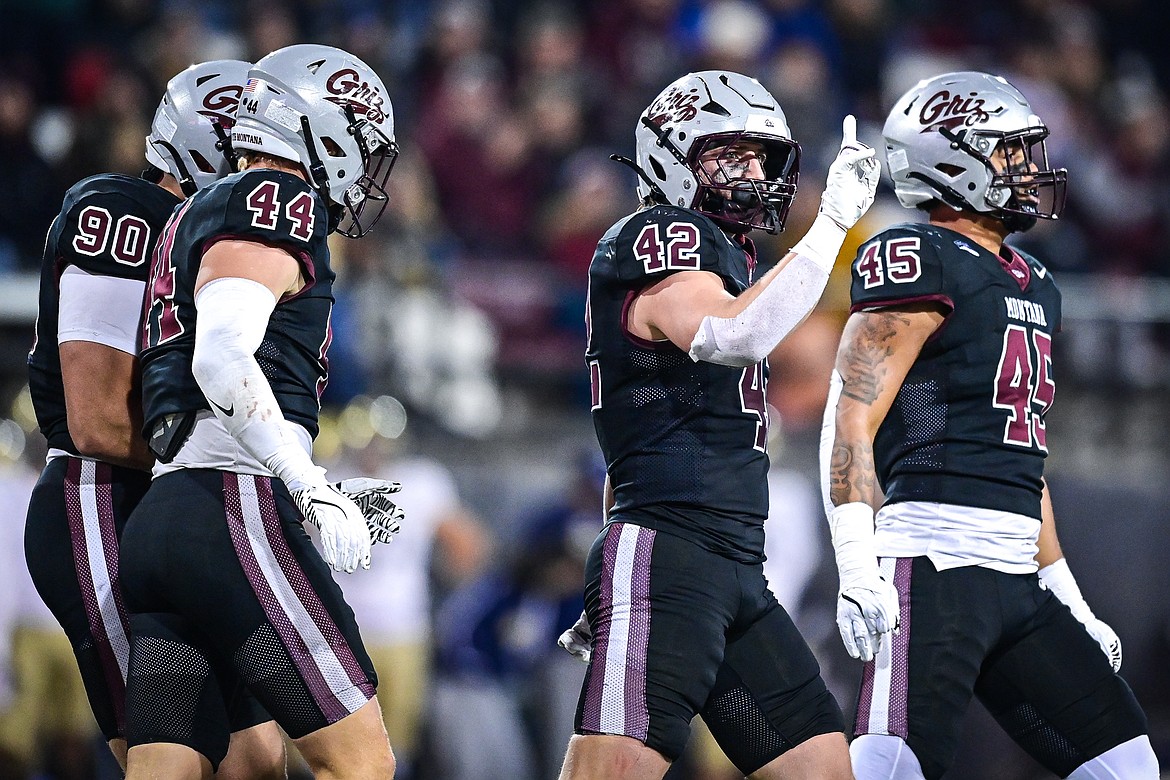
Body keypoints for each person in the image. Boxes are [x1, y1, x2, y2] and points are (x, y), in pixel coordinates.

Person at [821, 71, 1160, 780]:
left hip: (1016, 579)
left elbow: (1021, 460)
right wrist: (857, 559)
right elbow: (851, 410)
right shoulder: (921, 256)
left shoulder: (1037, 283)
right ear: (954, 161)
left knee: (1127, 768)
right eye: (1011, 152)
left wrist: (1067, 593)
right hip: (930, 563)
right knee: (892, 769)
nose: (1031, 169)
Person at [557, 70, 880, 780]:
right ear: (673, 156)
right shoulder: (657, 233)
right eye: (727, 154)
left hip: (732, 563)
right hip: (672, 556)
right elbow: (732, 335)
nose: (753, 173)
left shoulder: (726, 255)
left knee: (822, 768)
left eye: (759, 156)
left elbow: (646, 421)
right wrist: (830, 228)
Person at [117, 44, 404, 780]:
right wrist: (304, 481)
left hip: (164, 517)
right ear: (320, 127)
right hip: (229, 505)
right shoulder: (276, 197)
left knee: (211, 768)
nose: (364, 170)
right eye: (360, 142)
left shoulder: (194, 212)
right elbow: (220, 358)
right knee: (362, 764)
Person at [21, 59, 291, 779]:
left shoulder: (222, 247)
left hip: (173, 511)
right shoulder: (123, 214)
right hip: (103, 501)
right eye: (258, 153)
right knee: (177, 761)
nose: (273, 176)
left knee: (260, 760)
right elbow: (98, 423)